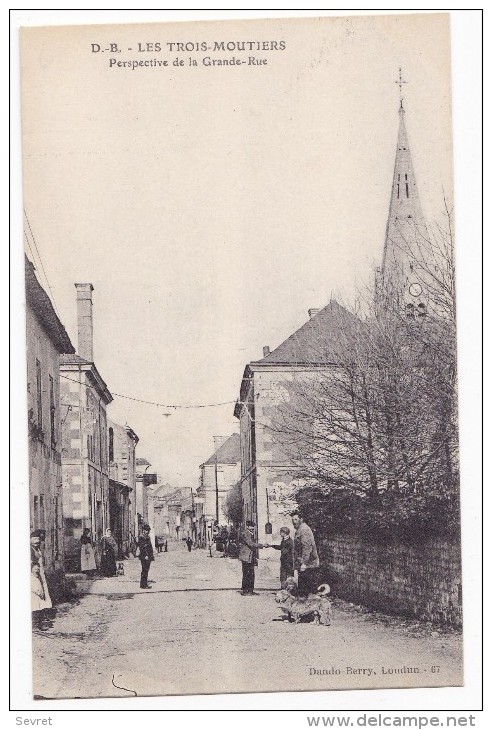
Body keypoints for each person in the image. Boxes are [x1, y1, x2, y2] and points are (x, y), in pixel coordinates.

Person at [291, 511, 320, 597]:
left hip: (308, 564)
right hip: (303, 563)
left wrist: (304, 563)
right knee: (303, 588)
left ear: (301, 519)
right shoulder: (299, 529)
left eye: (296, 519)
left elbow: (307, 547)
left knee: (307, 590)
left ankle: (308, 607)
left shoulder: (304, 530)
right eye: (292, 520)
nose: (293, 521)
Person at [30, 530, 52, 626]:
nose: (37, 542)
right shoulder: (30, 550)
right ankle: (37, 620)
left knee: (43, 592)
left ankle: (42, 616)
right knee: (36, 594)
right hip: (33, 574)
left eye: (38, 540)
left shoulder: (37, 549)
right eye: (34, 540)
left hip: (39, 572)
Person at [238, 521, 266, 596]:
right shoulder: (245, 533)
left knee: (251, 573)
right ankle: (245, 591)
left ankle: (250, 590)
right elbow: (251, 544)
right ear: (247, 526)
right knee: (247, 573)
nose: (252, 528)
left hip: (250, 557)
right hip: (246, 557)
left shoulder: (250, 533)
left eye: (253, 527)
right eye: (251, 526)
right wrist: (262, 545)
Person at [137, 524, 154, 589]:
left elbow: (149, 546)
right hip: (144, 556)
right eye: (146, 530)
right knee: (144, 570)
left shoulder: (147, 537)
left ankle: (144, 583)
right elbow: (142, 548)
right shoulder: (142, 537)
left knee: (146, 570)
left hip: (148, 556)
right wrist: (146, 555)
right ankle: (143, 585)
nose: (147, 531)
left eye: (148, 530)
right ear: (143, 530)